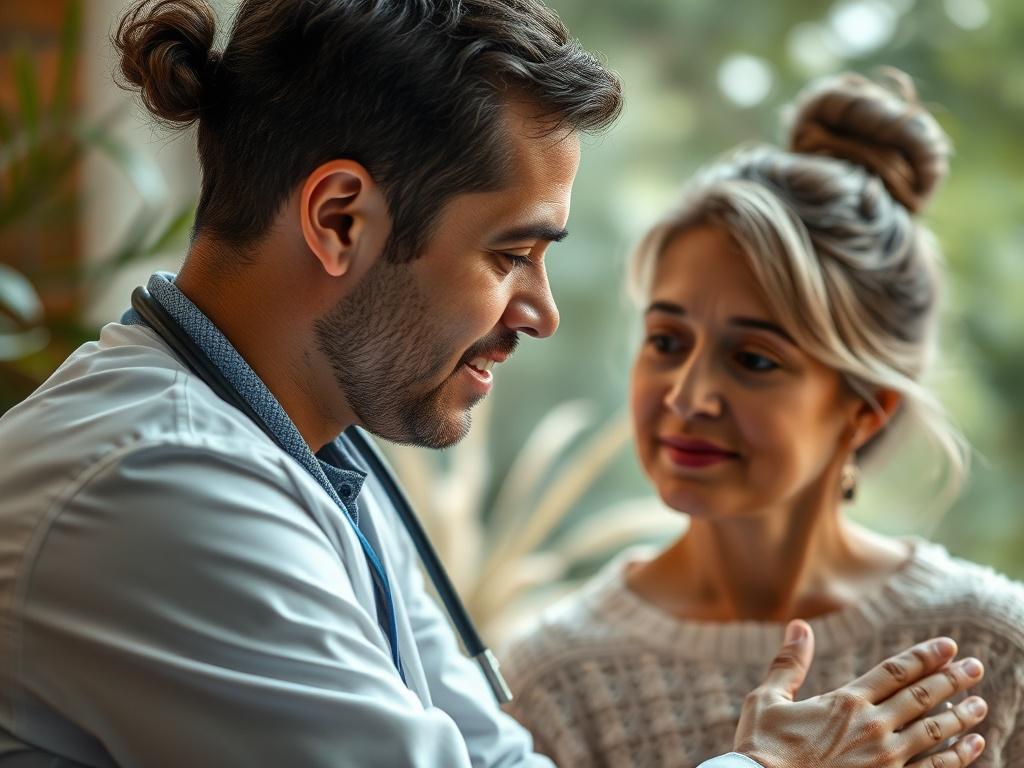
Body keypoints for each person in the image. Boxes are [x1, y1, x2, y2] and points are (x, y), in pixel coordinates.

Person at [0, 0, 987, 762]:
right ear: (340, 219)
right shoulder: (153, 487)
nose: (541, 312)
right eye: (512, 252)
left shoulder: (318, 455)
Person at [501, 71, 1024, 767]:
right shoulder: (555, 680)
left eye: (752, 359)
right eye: (667, 341)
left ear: (867, 409)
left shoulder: (992, 646)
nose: (687, 398)